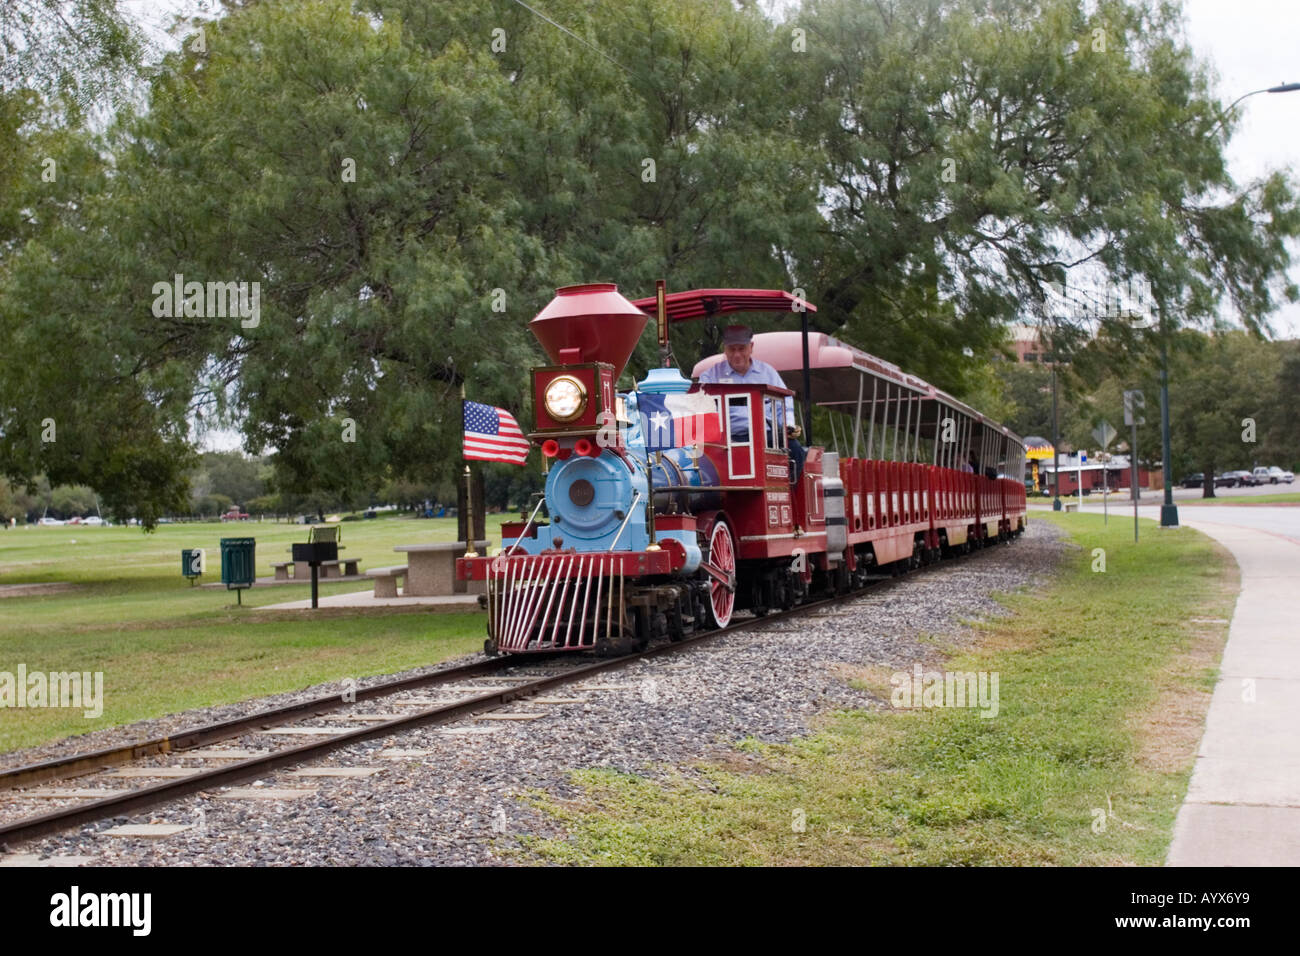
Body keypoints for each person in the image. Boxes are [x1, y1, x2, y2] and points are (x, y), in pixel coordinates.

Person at [698, 324, 806, 479]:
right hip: (729, 439)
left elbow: (785, 401)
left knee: (795, 451)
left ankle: (788, 493)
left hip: (766, 436)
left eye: (741, 349)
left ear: (751, 347)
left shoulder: (768, 373)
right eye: (731, 349)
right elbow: (702, 408)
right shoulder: (710, 377)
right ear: (724, 349)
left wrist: (788, 424)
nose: (736, 355)